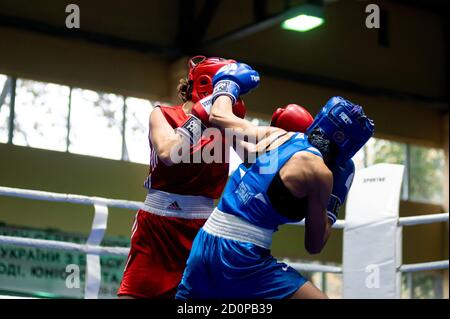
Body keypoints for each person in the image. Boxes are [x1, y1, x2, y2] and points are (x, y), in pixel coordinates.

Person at [176, 63, 375, 299]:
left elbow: (218, 116)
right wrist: (332, 204)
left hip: (205, 241)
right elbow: (314, 244)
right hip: (243, 254)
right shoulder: (321, 175)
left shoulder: (279, 135)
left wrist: (227, 83)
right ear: (349, 146)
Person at [117, 56, 247, 298]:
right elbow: (168, 153)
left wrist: (282, 139)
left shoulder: (226, 123)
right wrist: (201, 115)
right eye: (228, 90)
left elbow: (254, 161)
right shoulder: (163, 114)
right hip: (157, 225)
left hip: (205, 227)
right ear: (210, 85)